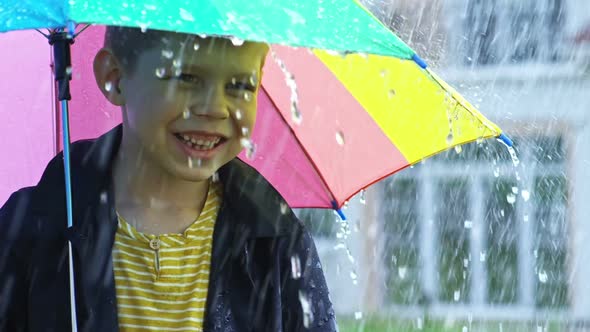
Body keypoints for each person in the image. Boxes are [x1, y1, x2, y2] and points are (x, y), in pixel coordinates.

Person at [0, 26, 337, 331]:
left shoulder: (277, 242)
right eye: (186, 77)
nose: (215, 108)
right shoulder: (36, 228)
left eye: (240, 85)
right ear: (115, 78)